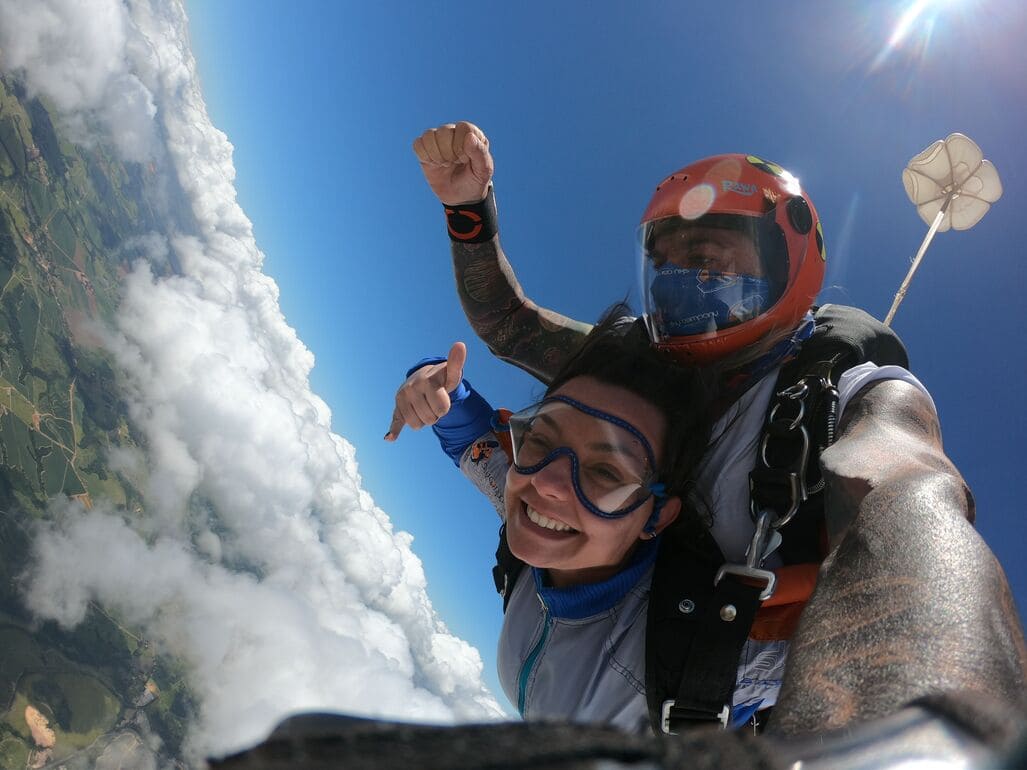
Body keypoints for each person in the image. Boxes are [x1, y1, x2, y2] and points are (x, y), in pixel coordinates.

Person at [407, 122, 1027, 735]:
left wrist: (931, 671)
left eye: (706, 260)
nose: (680, 284)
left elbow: (909, 485)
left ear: (790, 267)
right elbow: (510, 328)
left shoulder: (833, 394)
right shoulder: (636, 373)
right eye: (664, 263)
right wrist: (468, 210)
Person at [389, 311, 790, 731]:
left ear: (655, 515)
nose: (547, 482)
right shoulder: (531, 534)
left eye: (606, 473)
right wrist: (432, 386)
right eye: (540, 439)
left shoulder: (703, 652)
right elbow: (472, 439)